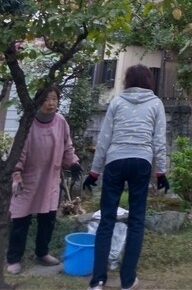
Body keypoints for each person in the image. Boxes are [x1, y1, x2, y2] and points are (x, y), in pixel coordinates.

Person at [83, 63, 169, 290]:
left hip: (115, 161)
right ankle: (128, 280)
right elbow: (159, 140)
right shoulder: (156, 104)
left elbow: (104, 138)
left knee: (107, 219)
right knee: (137, 220)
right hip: (141, 162)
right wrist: (161, 171)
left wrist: (94, 171)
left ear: (127, 81)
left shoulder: (117, 102)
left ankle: (97, 281)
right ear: (149, 81)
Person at [6, 84, 82, 275]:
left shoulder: (60, 121)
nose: (51, 103)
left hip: (50, 178)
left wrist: (73, 162)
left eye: (54, 99)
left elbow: (67, 146)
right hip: (28, 178)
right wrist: (16, 173)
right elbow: (18, 150)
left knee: (47, 219)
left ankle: (42, 253)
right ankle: (14, 258)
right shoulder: (29, 122)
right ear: (38, 101)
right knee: (20, 220)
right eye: (46, 99)